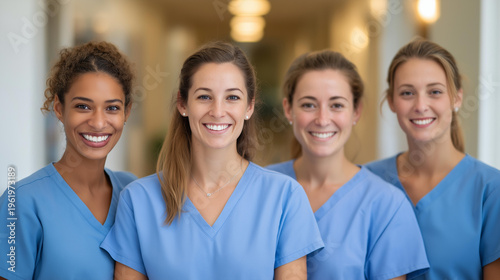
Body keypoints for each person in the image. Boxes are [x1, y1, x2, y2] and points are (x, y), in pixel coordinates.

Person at [101, 41, 323, 280]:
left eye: (232, 98)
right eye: (205, 96)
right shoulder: (138, 201)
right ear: (183, 104)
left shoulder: (284, 197)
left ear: (249, 107)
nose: (218, 111)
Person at [267, 50, 429, 279]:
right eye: (308, 105)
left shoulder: (386, 205)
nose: (322, 119)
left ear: (357, 111)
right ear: (288, 109)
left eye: (336, 105)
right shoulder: (262, 188)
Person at [0, 41, 137, 280]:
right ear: (59, 108)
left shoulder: (132, 191)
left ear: (126, 112)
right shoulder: (21, 202)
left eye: (112, 108)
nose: (97, 122)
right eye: (83, 106)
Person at [365, 39, 500, 279]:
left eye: (435, 92)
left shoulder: (490, 190)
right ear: (392, 101)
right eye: (407, 93)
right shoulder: (366, 181)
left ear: (457, 98)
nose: (420, 105)